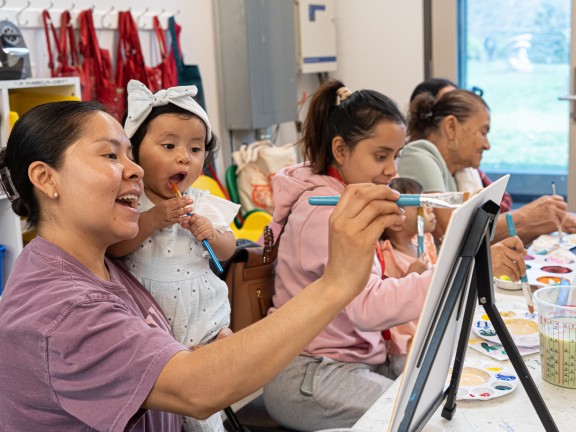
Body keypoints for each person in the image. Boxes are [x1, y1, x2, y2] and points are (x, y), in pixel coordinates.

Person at [0, 100, 408, 431]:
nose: (137, 170)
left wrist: (216, 348)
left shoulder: (107, 264)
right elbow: (195, 389)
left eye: (130, 153)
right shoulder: (60, 310)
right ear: (46, 179)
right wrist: (336, 284)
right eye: (110, 154)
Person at [261, 80, 524, 431]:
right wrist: (456, 272)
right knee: (423, 419)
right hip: (309, 374)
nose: (392, 171)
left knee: (457, 394)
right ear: (340, 150)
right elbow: (368, 308)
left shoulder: (349, 199)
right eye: (380, 156)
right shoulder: (323, 213)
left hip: (360, 360)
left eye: (396, 156)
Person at [107, 80, 239, 432]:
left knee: (205, 400)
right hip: (151, 319)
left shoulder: (203, 200)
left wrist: (212, 233)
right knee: (168, 404)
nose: (184, 157)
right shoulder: (131, 202)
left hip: (202, 317)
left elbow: (227, 251)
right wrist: (152, 220)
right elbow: (115, 249)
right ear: (133, 153)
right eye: (169, 145)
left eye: (195, 150)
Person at [407, 78, 576, 244]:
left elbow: (481, 236)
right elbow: (450, 233)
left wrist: (541, 221)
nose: (487, 145)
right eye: (483, 132)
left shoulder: (458, 172)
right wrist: (526, 217)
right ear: (451, 126)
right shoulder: (418, 154)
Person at [378, 177, 438, 376]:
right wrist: (413, 274)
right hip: (406, 346)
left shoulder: (426, 242)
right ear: (396, 222)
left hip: (430, 330)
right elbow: (387, 301)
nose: (430, 208)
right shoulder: (388, 255)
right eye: (420, 204)